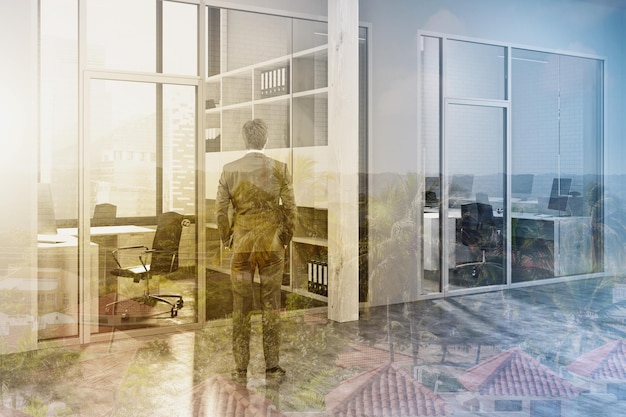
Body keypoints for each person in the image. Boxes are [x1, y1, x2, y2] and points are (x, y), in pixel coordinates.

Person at [216, 119, 296, 383]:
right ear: (266, 140)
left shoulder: (229, 170)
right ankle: (272, 366)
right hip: (272, 247)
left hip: (242, 248)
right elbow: (290, 209)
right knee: (271, 305)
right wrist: (284, 238)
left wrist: (227, 237)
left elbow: (220, 211)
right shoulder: (280, 168)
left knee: (241, 307)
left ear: (244, 140)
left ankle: (241, 367)